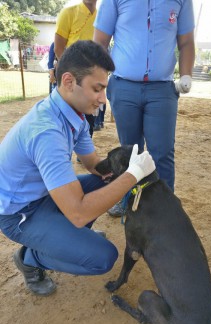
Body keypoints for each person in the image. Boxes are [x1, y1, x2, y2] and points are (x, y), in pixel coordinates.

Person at [0, 40, 156, 297]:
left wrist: (124, 165)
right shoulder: (47, 133)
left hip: (43, 196)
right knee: (102, 257)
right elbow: (78, 213)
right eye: (97, 89)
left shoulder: (73, 115)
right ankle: (30, 259)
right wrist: (133, 175)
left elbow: (95, 165)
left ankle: (68, 240)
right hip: (19, 214)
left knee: (108, 180)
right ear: (70, 82)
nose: (103, 99)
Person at [94, 0, 195, 216]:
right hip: (124, 85)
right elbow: (100, 41)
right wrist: (100, 82)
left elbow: (186, 41)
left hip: (162, 89)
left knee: (163, 153)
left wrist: (186, 74)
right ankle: (127, 199)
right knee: (130, 150)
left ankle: (165, 208)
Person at [54, 0, 104, 137]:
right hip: (71, 80)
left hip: (92, 82)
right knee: (64, 122)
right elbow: (58, 48)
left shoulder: (103, 17)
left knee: (88, 122)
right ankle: (63, 156)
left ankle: (83, 157)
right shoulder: (68, 13)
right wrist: (72, 73)